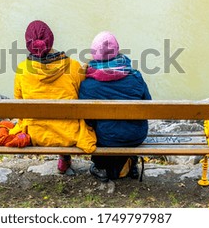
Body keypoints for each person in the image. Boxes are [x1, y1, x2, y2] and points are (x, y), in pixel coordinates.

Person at [9, 20, 97, 174]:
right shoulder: (74, 66)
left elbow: (19, 105)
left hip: (35, 134)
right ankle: (64, 158)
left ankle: (64, 159)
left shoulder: (22, 69)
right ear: (51, 39)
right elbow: (81, 96)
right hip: (69, 133)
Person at [79, 31, 151, 182]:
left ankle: (102, 166)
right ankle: (129, 164)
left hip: (106, 138)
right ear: (117, 50)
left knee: (98, 128)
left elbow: (88, 120)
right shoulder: (136, 77)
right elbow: (148, 106)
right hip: (136, 136)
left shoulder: (88, 85)